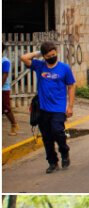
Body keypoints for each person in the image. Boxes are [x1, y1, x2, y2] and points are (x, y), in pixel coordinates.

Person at [20, 41, 75, 173]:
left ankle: (64, 151)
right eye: (48, 56)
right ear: (44, 56)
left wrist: (70, 106)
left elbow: (71, 86)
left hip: (58, 108)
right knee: (46, 137)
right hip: (42, 108)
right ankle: (52, 162)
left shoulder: (64, 68)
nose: (52, 57)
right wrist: (39, 52)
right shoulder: (39, 66)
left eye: (54, 54)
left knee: (57, 131)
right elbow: (24, 58)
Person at [3, 47, 17, 135]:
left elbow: (5, 75)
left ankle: (14, 125)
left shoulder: (5, 61)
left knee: (6, 109)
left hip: (3, 89)